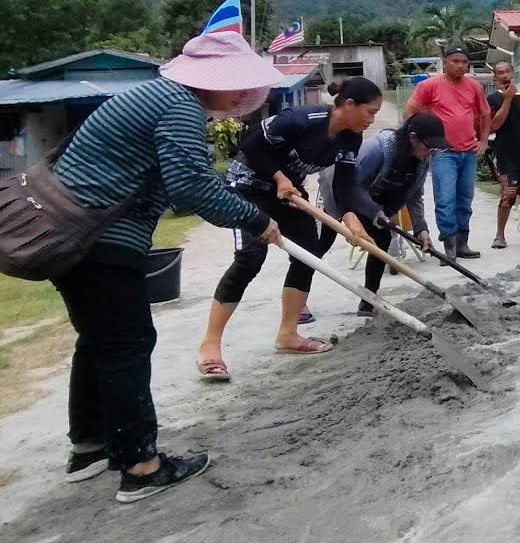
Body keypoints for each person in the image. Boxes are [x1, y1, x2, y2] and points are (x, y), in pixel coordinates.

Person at [51, 32, 283, 503]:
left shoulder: (156, 96)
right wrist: (257, 219)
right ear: (209, 78)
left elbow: (183, 179)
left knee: (99, 340)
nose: (242, 93)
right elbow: (191, 186)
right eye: (235, 81)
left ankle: (90, 446)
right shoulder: (179, 106)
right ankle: (141, 467)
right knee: (128, 343)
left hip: (71, 232)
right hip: (98, 236)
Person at [196, 76, 381, 377]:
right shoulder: (302, 119)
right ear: (349, 104)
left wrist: (349, 215)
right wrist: (280, 178)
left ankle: (288, 335)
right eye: (370, 112)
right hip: (248, 186)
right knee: (250, 258)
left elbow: (345, 184)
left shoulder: (351, 138)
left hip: (287, 192)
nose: (372, 119)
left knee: (309, 254)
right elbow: (250, 145)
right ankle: (210, 345)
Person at [318, 112, 449, 314]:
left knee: (382, 238)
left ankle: (368, 300)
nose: (431, 152)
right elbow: (350, 185)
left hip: (371, 197)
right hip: (337, 190)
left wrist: (421, 227)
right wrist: (373, 212)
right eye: (429, 146)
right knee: (320, 244)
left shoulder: (421, 159)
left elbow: (414, 194)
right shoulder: (380, 148)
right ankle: (299, 298)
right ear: (413, 137)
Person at [403, 43, 492, 263]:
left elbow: (485, 114)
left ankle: (462, 244)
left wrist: (483, 140)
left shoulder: (474, 87)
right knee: (445, 200)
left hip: (468, 151)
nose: (460, 66)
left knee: (465, 200)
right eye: (455, 61)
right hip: (443, 152)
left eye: (464, 62)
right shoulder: (429, 86)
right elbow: (410, 110)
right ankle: (449, 246)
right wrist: (417, 140)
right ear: (445, 63)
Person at [487, 60, 520, 248]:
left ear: (513, 73)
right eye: (500, 73)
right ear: (495, 78)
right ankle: (499, 235)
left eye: (507, 71)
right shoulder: (493, 99)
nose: (505, 76)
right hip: (505, 156)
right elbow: (494, 125)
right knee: (508, 195)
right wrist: (508, 99)